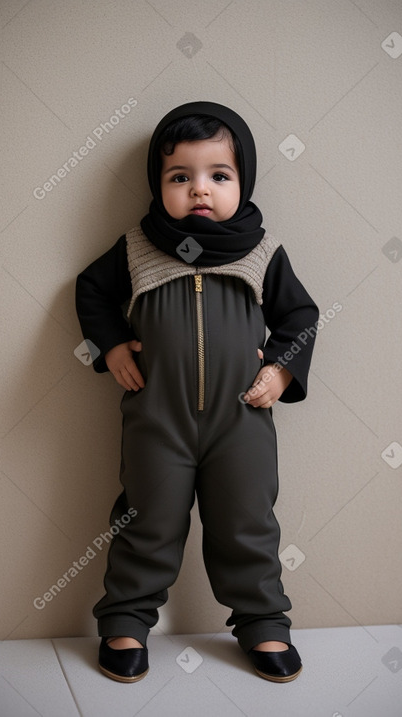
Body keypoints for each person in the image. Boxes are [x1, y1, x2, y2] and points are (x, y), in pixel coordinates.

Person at [75, 101, 319, 684]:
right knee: (145, 518)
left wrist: (281, 370)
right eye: (179, 177)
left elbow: (302, 316)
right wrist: (110, 349)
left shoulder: (262, 250)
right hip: (158, 419)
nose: (199, 190)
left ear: (244, 181)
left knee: (247, 521)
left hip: (242, 421)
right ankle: (127, 618)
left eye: (219, 175)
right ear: (158, 186)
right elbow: (90, 291)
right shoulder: (137, 247)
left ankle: (263, 624)